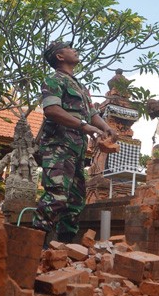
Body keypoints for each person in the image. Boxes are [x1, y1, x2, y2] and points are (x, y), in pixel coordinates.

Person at [32, 41, 117, 247]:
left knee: (74, 204)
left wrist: (107, 128)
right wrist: (84, 126)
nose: (75, 50)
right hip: (58, 147)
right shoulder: (54, 80)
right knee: (57, 196)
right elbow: (52, 110)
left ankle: (64, 252)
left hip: (77, 150)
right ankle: (33, 248)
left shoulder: (80, 86)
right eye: (69, 48)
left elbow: (92, 114)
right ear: (59, 56)